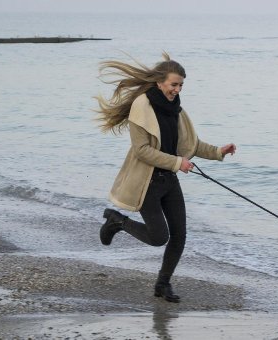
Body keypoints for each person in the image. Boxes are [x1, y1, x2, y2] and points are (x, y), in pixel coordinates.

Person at [95, 52, 236, 303]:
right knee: (159, 237)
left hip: (169, 181)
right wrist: (176, 162)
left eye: (181, 85)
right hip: (147, 182)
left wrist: (217, 151)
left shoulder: (175, 109)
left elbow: (190, 144)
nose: (177, 89)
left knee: (179, 235)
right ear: (160, 82)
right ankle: (117, 221)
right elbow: (142, 151)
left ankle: (163, 284)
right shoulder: (141, 107)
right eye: (174, 84)